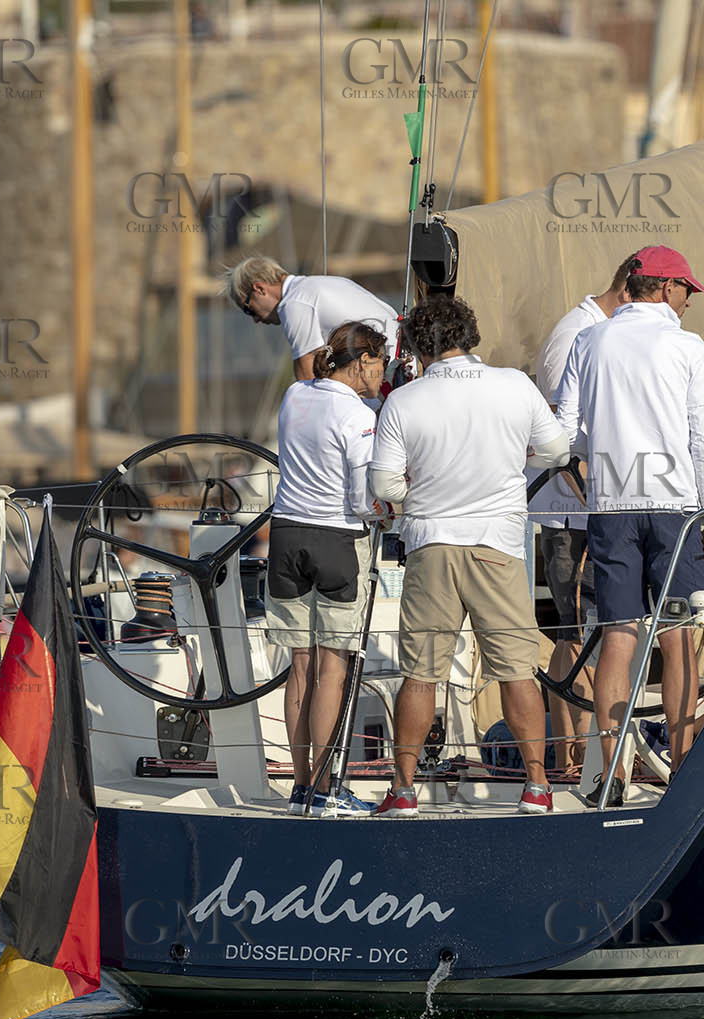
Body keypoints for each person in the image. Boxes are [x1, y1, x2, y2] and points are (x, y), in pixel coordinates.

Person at [370, 296, 570, 818]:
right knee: (516, 671)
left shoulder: (404, 401)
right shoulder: (514, 386)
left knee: (421, 674)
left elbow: (386, 485)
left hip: (431, 544)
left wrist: (423, 495)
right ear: (471, 335)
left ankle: (405, 790)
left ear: (415, 345)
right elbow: (557, 451)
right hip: (497, 547)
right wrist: (515, 457)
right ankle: (536, 787)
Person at [553, 245, 704, 806]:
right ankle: (681, 773)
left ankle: (610, 774)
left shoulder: (590, 339)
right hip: (674, 512)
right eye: (685, 292)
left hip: (610, 509)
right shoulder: (686, 346)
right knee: (680, 638)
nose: (688, 304)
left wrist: (603, 447)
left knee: (618, 637)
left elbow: (565, 435)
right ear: (663, 288)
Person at [268, 322, 388, 816]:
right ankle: (323, 791)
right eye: (380, 363)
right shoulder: (358, 415)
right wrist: (392, 510)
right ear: (362, 361)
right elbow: (364, 501)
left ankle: (300, 788)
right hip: (336, 540)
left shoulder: (295, 395)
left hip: (285, 535)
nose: (383, 373)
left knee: (300, 668)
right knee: (332, 671)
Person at [533, 252, 640, 770]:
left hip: (596, 508)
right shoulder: (574, 334)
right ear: (626, 292)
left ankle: (586, 749)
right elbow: (560, 437)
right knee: (573, 633)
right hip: (570, 513)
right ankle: (570, 751)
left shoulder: (600, 332)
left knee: (597, 630)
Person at [226, 256, 399, 380]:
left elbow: (307, 377)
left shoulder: (294, 301)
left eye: (249, 310)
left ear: (259, 289)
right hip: (401, 361)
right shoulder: (320, 284)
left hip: (387, 372)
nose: (255, 320)